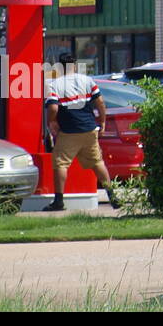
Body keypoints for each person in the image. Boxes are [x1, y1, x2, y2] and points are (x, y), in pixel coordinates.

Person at [42, 53, 119, 211]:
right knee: (97, 162)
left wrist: (52, 122)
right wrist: (102, 122)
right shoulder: (87, 81)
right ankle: (113, 197)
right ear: (75, 65)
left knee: (60, 163)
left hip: (69, 130)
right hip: (89, 129)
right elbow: (100, 103)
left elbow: (53, 107)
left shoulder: (54, 85)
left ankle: (59, 201)